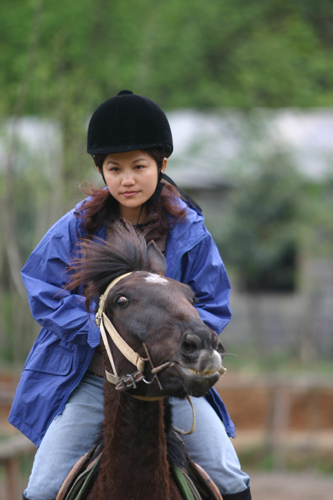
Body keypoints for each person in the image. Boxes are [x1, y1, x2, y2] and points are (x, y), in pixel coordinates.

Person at [9, 90, 251, 500]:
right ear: (100, 170)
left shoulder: (190, 231)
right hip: (93, 378)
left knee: (228, 476)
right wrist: (97, 331)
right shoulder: (75, 228)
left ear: (161, 165)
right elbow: (43, 287)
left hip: (171, 377)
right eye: (114, 168)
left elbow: (212, 302)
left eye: (139, 166)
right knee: (43, 486)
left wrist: (184, 345)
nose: (127, 179)